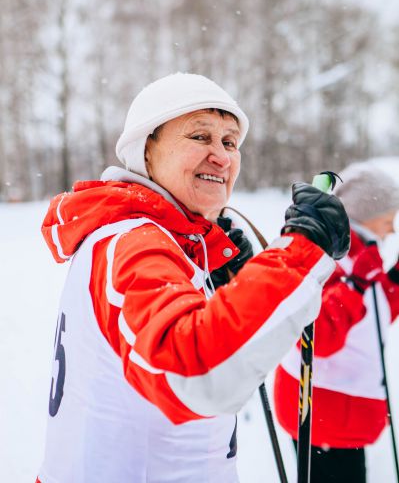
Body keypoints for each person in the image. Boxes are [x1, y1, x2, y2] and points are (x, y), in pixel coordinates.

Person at [37, 72, 349, 483]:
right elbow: (196, 374)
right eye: (200, 137)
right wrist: (300, 252)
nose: (221, 156)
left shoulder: (164, 243)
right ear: (145, 148)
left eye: (230, 142)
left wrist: (226, 290)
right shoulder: (134, 243)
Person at [274, 161, 399, 483]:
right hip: (322, 415)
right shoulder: (331, 257)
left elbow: (372, 312)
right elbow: (320, 338)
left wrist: (393, 278)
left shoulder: (361, 254)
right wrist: (356, 284)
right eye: (389, 219)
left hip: (339, 412)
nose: (393, 229)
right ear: (366, 217)